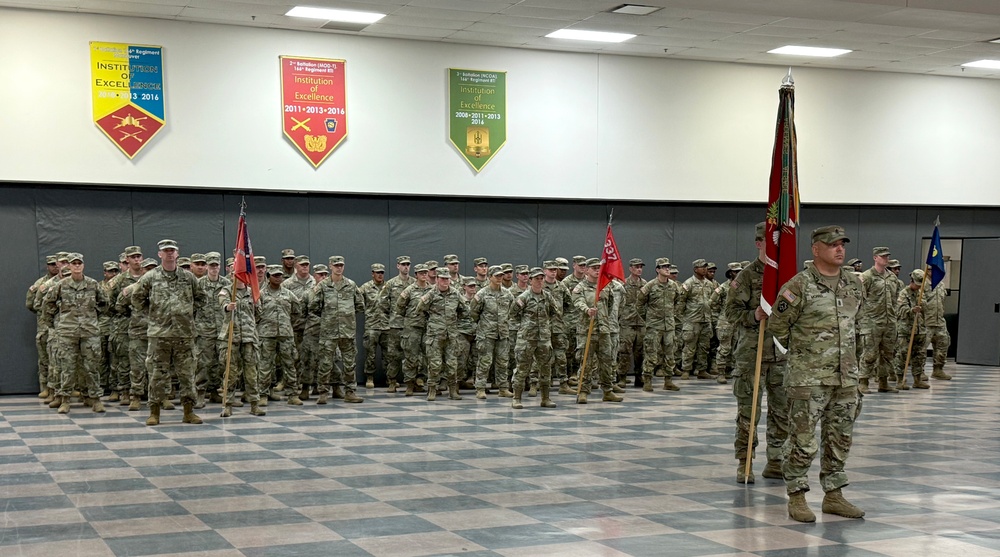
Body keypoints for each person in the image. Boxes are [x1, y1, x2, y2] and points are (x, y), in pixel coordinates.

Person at [767, 225, 865, 523]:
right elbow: (777, 326)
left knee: (840, 438)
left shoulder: (854, 284)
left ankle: (833, 495)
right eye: (832, 244)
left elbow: (857, 326)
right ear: (816, 249)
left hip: (845, 376)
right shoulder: (799, 286)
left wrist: (857, 368)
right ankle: (796, 496)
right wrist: (802, 356)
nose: (840, 249)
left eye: (842, 244)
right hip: (808, 379)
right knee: (803, 440)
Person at [724, 223, 788, 484]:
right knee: (749, 412)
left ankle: (776, 460)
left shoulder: (787, 275)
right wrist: (753, 315)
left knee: (782, 411)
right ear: (759, 243)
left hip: (781, 354)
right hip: (752, 354)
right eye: (768, 242)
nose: (774, 247)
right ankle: (745, 462)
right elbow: (730, 313)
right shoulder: (747, 277)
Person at [131, 239, 207, 426]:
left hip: (184, 334)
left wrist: (187, 311)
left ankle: (188, 412)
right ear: (160, 254)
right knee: (157, 374)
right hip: (159, 334)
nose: (170, 254)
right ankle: (154, 412)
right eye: (166, 251)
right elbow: (137, 298)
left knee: (187, 374)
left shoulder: (188, 277)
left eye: (172, 250)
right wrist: (154, 315)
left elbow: (201, 298)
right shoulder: (150, 277)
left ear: (177, 253)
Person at [41, 253, 109, 414]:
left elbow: (105, 303)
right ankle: (65, 400)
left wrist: (93, 317)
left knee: (92, 366)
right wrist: (54, 324)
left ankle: (96, 399)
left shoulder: (92, 284)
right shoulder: (61, 285)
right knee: (67, 367)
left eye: (79, 263)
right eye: (74, 263)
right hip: (67, 331)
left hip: (89, 332)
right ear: (69, 266)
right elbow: (48, 304)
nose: (77, 266)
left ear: (83, 265)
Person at [310, 256, 365, 404]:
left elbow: (360, 305)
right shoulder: (323, 286)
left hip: (347, 331)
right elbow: (314, 307)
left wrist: (347, 317)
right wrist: (329, 318)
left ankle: (350, 392)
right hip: (329, 332)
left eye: (341, 265)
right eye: (336, 265)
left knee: (349, 363)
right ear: (330, 267)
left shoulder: (351, 285)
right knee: (325, 363)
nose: (339, 268)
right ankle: (322, 393)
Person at [571, 258, 624, 404]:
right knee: (586, 362)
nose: (596, 270)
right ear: (586, 270)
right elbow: (577, 302)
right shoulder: (580, 287)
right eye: (593, 268)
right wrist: (587, 310)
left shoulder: (605, 287)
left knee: (607, 361)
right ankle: (583, 391)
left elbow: (612, 304)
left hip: (604, 330)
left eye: (598, 268)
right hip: (587, 330)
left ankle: (607, 390)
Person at [415, 268, 470, 401]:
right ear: (437, 279)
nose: (445, 281)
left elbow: (465, 310)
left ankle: (453, 391)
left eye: (447, 279)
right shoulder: (431, 294)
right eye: (443, 279)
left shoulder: (455, 294)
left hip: (451, 335)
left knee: (452, 365)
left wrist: (455, 321)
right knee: (435, 364)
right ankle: (432, 389)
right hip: (435, 336)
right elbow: (419, 310)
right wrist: (433, 322)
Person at [509, 268, 560, 409]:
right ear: (530, 280)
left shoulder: (548, 296)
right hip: (526, 339)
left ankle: (545, 398)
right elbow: (513, 314)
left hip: (543, 338)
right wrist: (524, 327)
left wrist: (545, 325)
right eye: (536, 278)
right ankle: (516, 398)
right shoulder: (523, 297)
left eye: (541, 278)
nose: (539, 281)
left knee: (546, 368)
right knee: (522, 368)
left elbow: (555, 312)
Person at [219, 275, 265, 417]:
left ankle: (254, 404)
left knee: (251, 373)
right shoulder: (226, 291)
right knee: (230, 373)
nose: (239, 278)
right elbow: (223, 306)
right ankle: (227, 404)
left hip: (249, 337)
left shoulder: (253, 292)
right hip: (232, 337)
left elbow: (258, 314)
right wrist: (228, 307)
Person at [859, 246, 900, 394]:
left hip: (889, 322)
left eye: (887, 256)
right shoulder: (867, 276)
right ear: (875, 258)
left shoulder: (892, 277)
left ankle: (883, 382)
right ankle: (863, 381)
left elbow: (895, 298)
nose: (886, 259)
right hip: (872, 321)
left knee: (887, 354)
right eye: (883, 256)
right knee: (870, 354)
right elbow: (859, 298)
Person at [258, 266, 300, 405]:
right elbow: (255, 313)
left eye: (280, 275)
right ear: (268, 276)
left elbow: (296, 312)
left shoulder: (289, 294)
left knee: (289, 364)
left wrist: (286, 324)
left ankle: (293, 394)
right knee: (265, 365)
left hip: (285, 334)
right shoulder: (261, 294)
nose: (278, 278)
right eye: (275, 275)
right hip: (266, 334)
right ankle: (263, 394)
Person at [637, 257, 680, 392]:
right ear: (657, 270)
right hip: (654, 326)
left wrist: (673, 315)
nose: (667, 269)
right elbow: (639, 304)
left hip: (669, 326)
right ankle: (647, 380)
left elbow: (678, 301)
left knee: (670, 353)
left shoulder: (674, 285)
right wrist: (648, 319)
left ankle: (668, 380)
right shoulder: (650, 286)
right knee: (651, 352)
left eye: (668, 267)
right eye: (664, 267)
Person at [471, 265, 514, 399]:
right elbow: (473, 313)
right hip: (486, 334)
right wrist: (484, 326)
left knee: (503, 361)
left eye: (501, 275)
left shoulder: (507, 293)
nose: (500, 278)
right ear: (490, 277)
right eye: (497, 276)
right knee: (485, 361)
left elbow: (512, 311)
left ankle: (503, 388)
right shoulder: (482, 294)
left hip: (503, 333)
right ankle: (480, 388)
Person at [395, 263, 432, 396]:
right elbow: (399, 307)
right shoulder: (409, 290)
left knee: (429, 357)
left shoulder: (432, 290)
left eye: (425, 272)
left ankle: (427, 383)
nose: (423, 275)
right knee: (411, 357)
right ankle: (410, 384)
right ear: (415, 275)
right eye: (421, 273)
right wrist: (411, 317)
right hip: (412, 328)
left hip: (428, 328)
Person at [379, 256, 414, 393]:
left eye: (408, 264)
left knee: (412, 355)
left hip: (410, 325)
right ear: (398, 266)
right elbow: (382, 302)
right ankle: (392, 381)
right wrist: (391, 315)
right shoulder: (391, 283)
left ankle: (412, 381)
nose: (406, 267)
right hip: (395, 325)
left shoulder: (414, 283)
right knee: (393, 355)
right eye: (403, 264)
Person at [677, 259, 715, 379]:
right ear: (695, 269)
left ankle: (702, 369)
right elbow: (681, 302)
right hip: (692, 320)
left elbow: (713, 301)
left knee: (704, 347)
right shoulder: (688, 284)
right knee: (689, 346)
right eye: (701, 267)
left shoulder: (710, 284)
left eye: (705, 267)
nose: (704, 269)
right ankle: (686, 370)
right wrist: (682, 318)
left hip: (706, 320)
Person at [896, 270, 931, 390]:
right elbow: (900, 311)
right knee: (903, 354)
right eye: (917, 284)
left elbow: (926, 308)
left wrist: (922, 307)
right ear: (911, 281)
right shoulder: (903, 293)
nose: (918, 287)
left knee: (919, 355)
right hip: (906, 330)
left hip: (920, 329)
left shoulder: (920, 293)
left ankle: (917, 379)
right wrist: (911, 310)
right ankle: (901, 380)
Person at [359, 263, 389, 389]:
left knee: (388, 354)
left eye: (382, 272)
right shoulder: (365, 288)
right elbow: (357, 301)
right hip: (371, 326)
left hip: (386, 325)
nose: (380, 275)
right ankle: (370, 377)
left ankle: (390, 378)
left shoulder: (389, 287)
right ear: (373, 274)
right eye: (378, 272)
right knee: (370, 353)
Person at [618, 258, 646, 388]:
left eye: (640, 267)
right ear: (630, 269)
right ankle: (622, 377)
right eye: (636, 267)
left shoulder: (645, 284)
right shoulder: (623, 283)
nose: (639, 269)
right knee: (624, 351)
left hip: (641, 322)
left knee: (640, 352)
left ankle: (639, 376)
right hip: (627, 322)